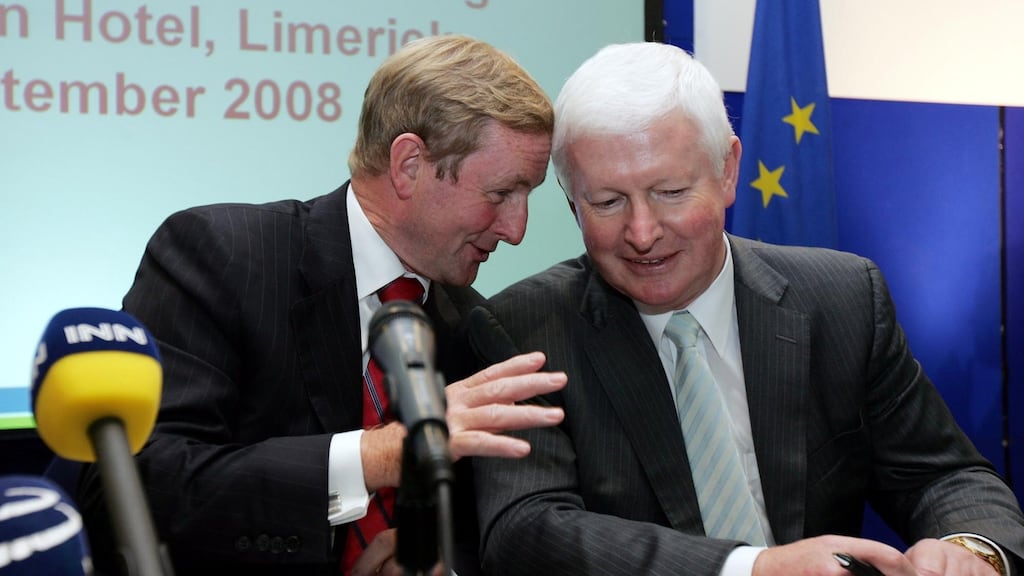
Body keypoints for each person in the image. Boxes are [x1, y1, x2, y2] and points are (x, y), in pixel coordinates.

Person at [469, 42, 1024, 576]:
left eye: (670, 192)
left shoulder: (843, 299)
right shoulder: (525, 330)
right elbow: (527, 531)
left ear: (728, 170)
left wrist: (970, 550)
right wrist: (750, 568)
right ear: (572, 203)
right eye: (608, 202)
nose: (642, 233)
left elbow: (944, 476)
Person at [76, 34, 567, 576]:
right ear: (408, 165)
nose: (517, 230)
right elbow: (132, 486)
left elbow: (488, 526)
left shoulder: (472, 325)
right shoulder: (222, 254)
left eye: (528, 197)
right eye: (501, 194)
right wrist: (379, 456)